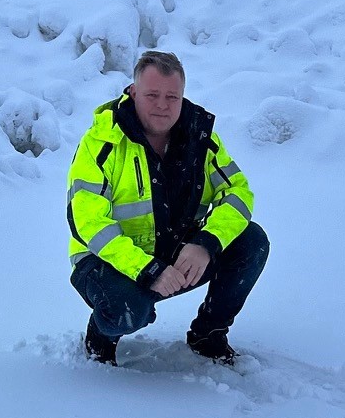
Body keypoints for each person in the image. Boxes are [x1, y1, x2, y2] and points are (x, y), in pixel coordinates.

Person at [64, 50, 270, 365]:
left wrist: (206, 242)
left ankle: (208, 334)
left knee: (251, 241)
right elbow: (87, 222)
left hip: (172, 256)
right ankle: (101, 338)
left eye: (172, 96)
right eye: (152, 95)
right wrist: (147, 270)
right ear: (133, 93)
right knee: (127, 309)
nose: (163, 105)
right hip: (105, 263)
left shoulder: (201, 139)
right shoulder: (101, 143)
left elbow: (238, 192)